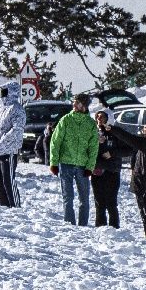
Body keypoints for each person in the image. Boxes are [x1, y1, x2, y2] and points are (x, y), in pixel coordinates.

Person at [47, 94, 99, 226]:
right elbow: (55, 142)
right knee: (68, 197)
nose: (74, 105)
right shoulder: (65, 120)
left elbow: (93, 148)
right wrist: (53, 163)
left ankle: (83, 225)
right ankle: (70, 225)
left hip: (82, 167)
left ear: (84, 105)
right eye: (74, 102)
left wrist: (90, 167)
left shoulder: (91, 124)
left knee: (84, 199)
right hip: (66, 164)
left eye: (77, 103)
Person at [0, 84, 26, 207]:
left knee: (8, 180)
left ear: (11, 92)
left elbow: (17, 130)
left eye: (4, 91)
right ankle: (4, 207)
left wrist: (3, 142)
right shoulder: (1, 108)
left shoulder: (17, 109)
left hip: (9, 150)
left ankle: (15, 207)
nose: (1, 94)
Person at [90, 111, 126, 228]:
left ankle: (114, 228)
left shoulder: (114, 132)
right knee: (99, 203)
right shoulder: (92, 132)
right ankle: (100, 227)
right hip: (97, 172)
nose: (99, 119)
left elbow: (127, 149)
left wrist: (112, 153)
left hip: (112, 171)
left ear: (108, 118)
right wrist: (96, 142)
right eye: (97, 117)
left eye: (102, 117)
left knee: (111, 203)